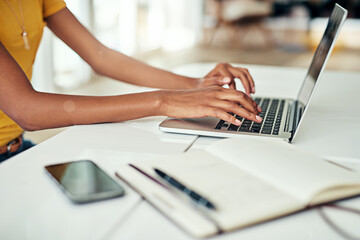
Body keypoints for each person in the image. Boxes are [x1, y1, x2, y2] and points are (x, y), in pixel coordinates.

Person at [0, 0, 262, 162]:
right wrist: (163, 101)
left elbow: (100, 56)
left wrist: (194, 84)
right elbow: (27, 110)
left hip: (18, 147)